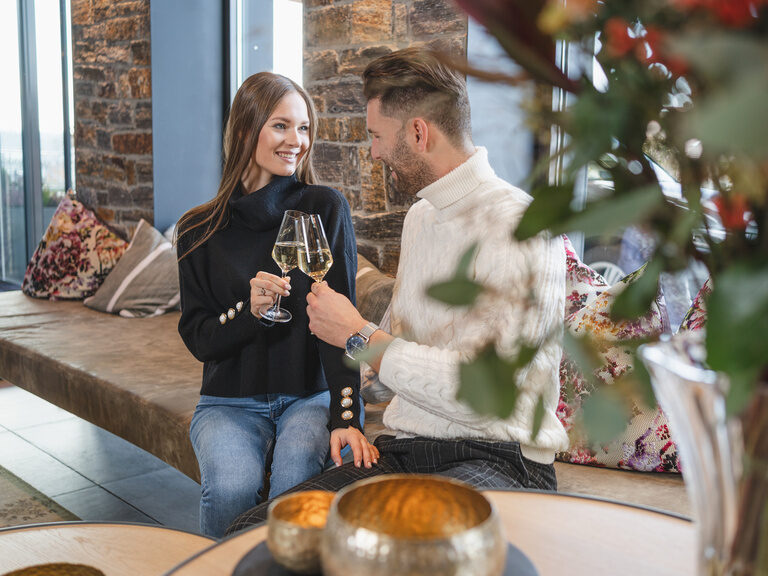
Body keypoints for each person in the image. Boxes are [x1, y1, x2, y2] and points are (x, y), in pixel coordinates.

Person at [226, 48, 569, 533]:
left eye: (376, 136)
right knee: (256, 532)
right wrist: (336, 400)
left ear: (418, 133)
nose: (373, 152)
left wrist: (361, 336)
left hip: (502, 460)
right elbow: (392, 358)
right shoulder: (421, 217)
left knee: (398, 552)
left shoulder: (521, 226)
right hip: (406, 450)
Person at [175, 72, 378, 538]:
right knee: (230, 489)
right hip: (228, 402)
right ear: (245, 130)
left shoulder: (323, 207)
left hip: (310, 395)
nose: (297, 141)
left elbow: (341, 321)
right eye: (281, 126)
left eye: (304, 128)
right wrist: (250, 312)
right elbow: (201, 339)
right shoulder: (198, 229)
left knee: (294, 488)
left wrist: (345, 415)